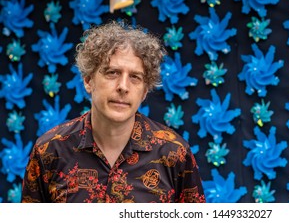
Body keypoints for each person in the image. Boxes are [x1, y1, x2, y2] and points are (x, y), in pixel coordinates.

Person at [21, 20, 205, 203]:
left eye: (135, 77)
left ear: (145, 91)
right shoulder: (49, 150)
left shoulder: (174, 153)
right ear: (88, 81)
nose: (123, 87)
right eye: (112, 73)